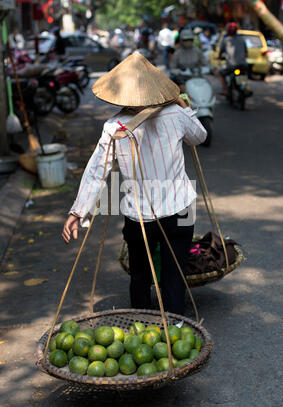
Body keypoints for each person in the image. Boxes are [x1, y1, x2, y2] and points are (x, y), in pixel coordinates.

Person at [62, 52, 207, 316]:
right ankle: (175, 327)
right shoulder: (176, 113)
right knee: (175, 276)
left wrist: (77, 211)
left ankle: (141, 327)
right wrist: (186, 110)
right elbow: (200, 137)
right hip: (181, 209)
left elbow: (97, 171)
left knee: (140, 275)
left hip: (140, 216)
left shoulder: (113, 126)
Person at [217, 22, 248, 95]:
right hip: (243, 65)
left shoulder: (225, 40)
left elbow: (221, 52)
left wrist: (219, 57)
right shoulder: (241, 39)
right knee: (243, 77)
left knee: (220, 73)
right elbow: (246, 52)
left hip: (231, 66)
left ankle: (225, 89)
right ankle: (244, 87)